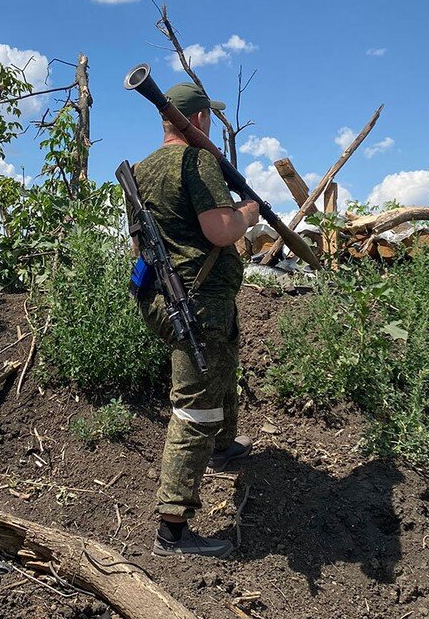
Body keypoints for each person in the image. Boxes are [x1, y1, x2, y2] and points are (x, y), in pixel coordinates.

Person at [131, 82, 259, 558]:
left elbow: (139, 244)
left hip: (167, 299)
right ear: (200, 120)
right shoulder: (198, 161)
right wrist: (247, 211)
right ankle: (172, 530)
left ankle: (223, 448)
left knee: (221, 371)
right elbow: (219, 230)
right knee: (195, 407)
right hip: (197, 303)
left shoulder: (140, 171)